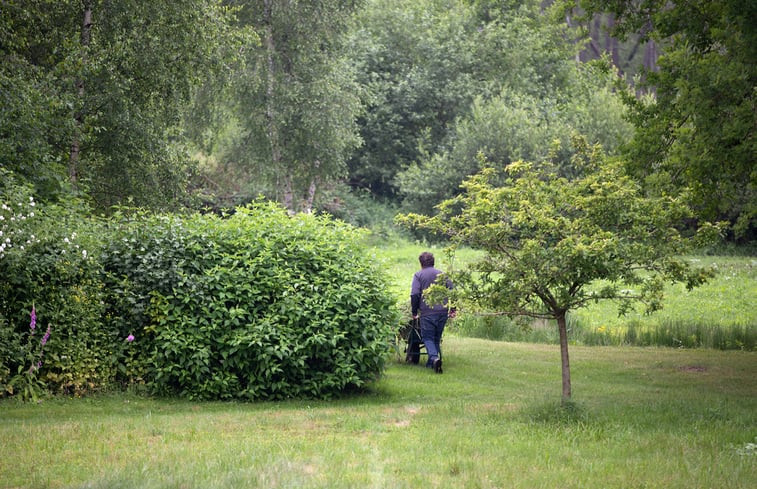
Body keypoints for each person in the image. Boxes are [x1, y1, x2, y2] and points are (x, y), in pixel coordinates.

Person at [411, 251, 455, 373]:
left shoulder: (418, 275)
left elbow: (415, 294)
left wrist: (414, 312)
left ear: (421, 263)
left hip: (427, 312)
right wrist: (453, 309)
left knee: (427, 338)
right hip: (443, 311)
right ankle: (431, 364)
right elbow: (453, 291)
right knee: (436, 337)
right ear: (433, 262)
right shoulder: (442, 275)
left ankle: (435, 359)